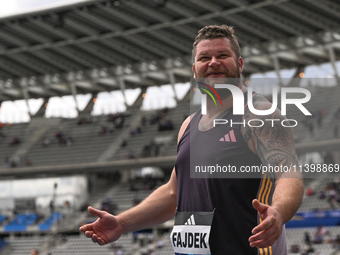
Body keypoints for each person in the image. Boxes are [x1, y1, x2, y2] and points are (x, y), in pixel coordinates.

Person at [80, 25, 304, 254]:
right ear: (195, 71)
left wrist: (278, 212)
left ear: (239, 64)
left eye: (223, 55)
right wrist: (121, 223)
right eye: (204, 57)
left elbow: (289, 175)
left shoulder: (259, 114)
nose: (213, 62)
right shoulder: (189, 124)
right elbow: (172, 194)